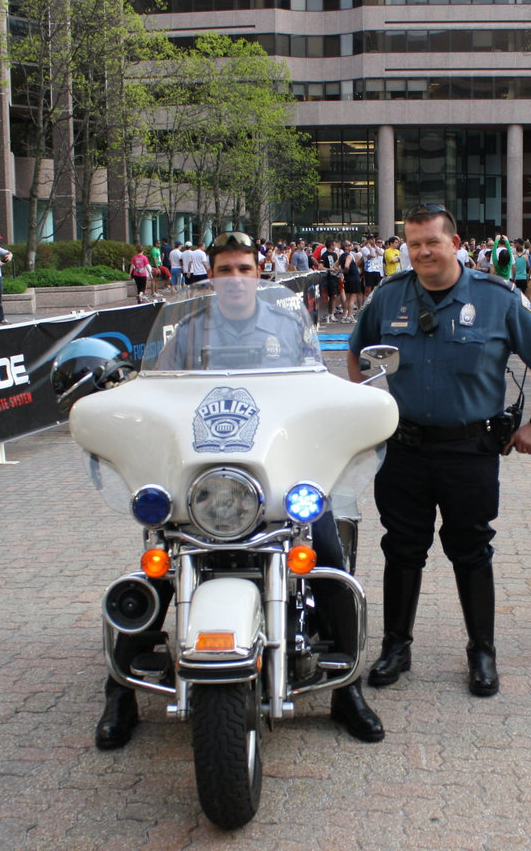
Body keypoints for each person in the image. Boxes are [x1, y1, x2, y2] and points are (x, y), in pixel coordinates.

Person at [96, 231, 384, 748]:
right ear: (210, 275)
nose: (233, 279)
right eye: (224, 269)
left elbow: (314, 390)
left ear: (259, 273)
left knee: (331, 558)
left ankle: (348, 691)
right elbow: (158, 392)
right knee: (157, 567)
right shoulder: (184, 330)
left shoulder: (289, 324)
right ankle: (119, 692)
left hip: (278, 476)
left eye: (243, 269)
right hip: (204, 483)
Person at [347, 204, 531, 697]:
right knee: (402, 549)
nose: (422, 251)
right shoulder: (388, 296)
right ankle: (396, 647)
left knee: (471, 550)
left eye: (431, 242)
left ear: (455, 243)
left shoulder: (497, 297)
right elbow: (357, 355)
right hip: (403, 450)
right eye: (413, 243)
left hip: (470, 450)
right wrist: (366, 411)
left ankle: (481, 651)